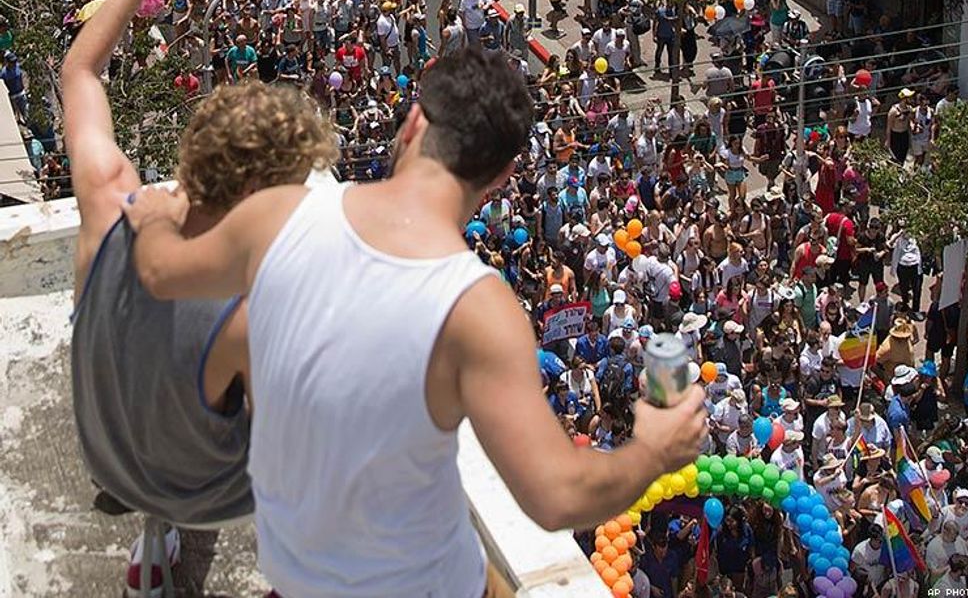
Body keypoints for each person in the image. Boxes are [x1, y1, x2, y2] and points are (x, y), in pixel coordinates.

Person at [123, 47, 708, 596]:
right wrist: (652, 451)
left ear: (412, 124)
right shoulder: (477, 308)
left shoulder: (279, 215)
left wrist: (154, 214)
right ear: (502, 175)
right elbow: (557, 495)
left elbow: (158, 272)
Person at [60, 0, 338, 596]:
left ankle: (159, 532)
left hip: (106, 456)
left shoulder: (108, 197)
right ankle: (228, 565)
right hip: (209, 493)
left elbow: (79, 73)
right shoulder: (253, 309)